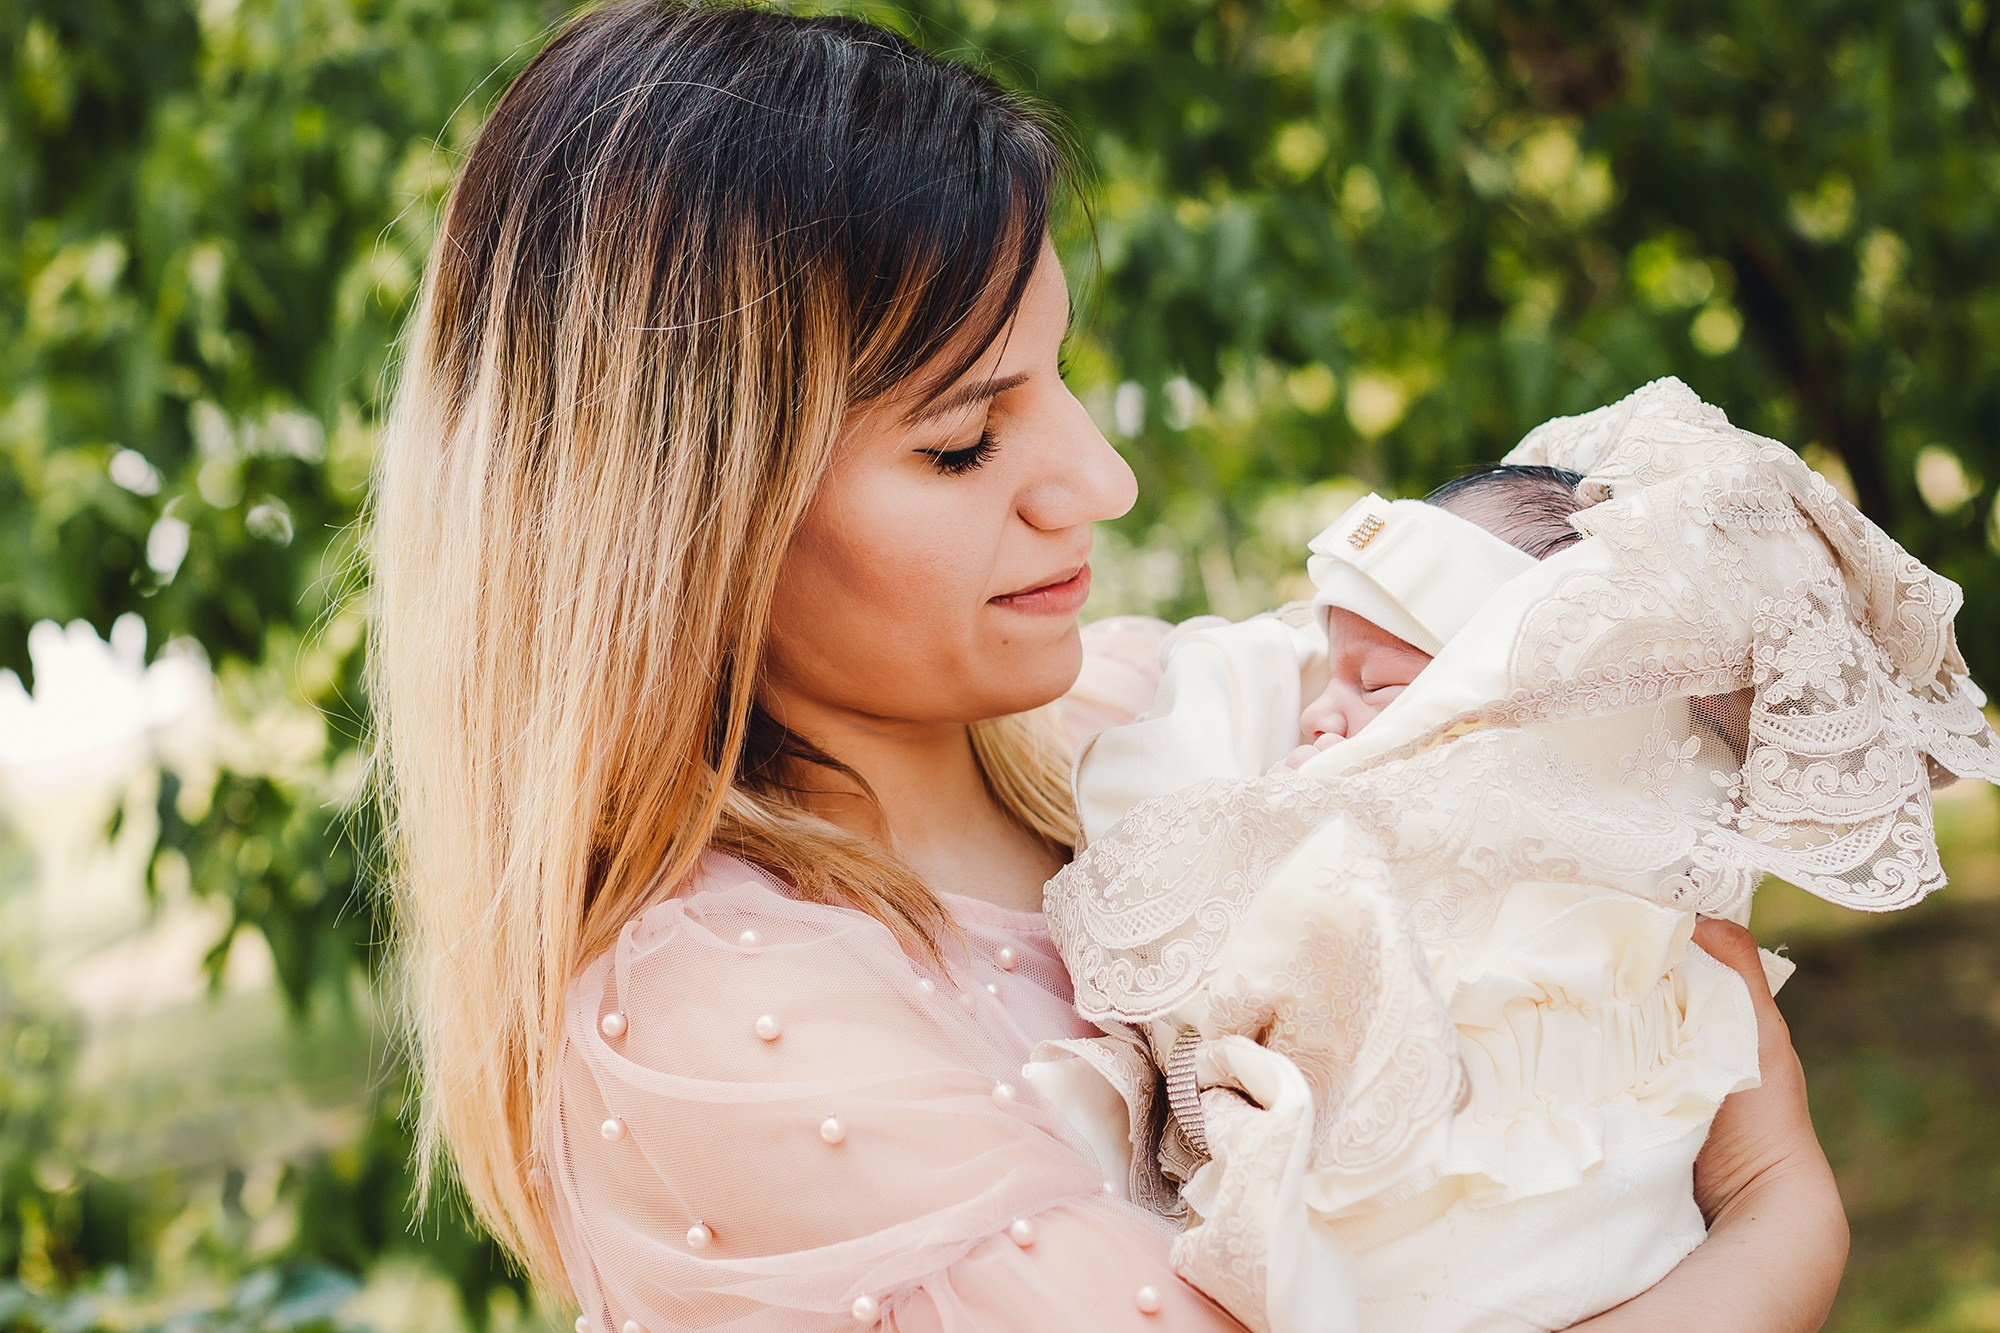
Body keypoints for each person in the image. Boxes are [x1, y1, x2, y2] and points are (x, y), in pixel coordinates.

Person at [364, 4, 1851, 1330]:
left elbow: (1591, 680)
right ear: (684, 522)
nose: (1102, 479)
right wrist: (1778, 1214)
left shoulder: (1151, 714)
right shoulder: (720, 1014)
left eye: (1062, 374)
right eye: (965, 440)